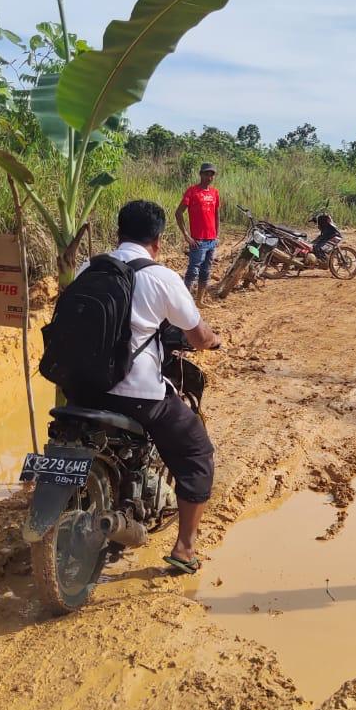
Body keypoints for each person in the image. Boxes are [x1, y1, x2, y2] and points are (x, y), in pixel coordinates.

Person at [82, 199, 222, 574]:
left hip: (82, 389)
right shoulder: (161, 277)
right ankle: (185, 549)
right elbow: (198, 336)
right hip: (137, 397)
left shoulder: (87, 268)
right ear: (158, 240)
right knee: (196, 452)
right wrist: (213, 341)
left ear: (118, 232)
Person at [175, 162, 220, 303]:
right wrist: (186, 236)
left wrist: (217, 235)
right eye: (206, 173)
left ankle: (199, 301)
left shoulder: (214, 193)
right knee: (192, 271)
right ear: (200, 174)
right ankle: (183, 304)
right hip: (198, 240)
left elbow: (216, 214)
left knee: (205, 271)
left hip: (211, 240)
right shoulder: (192, 191)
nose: (209, 177)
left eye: (211, 174)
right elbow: (178, 213)